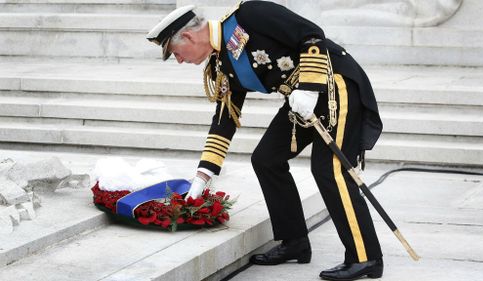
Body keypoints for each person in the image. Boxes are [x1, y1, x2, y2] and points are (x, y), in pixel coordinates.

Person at [147, 1, 384, 280]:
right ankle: (295, 241)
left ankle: (365, 256)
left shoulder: (249, 14)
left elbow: (311, 34)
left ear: (187, 37)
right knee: (266, 159)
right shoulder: (221, 64)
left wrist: (308, 88)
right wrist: (203, 175)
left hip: (334, 88)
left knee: (329, 169)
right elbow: (225, 120)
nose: (180, 60)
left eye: (176, 53)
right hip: (300, 102)